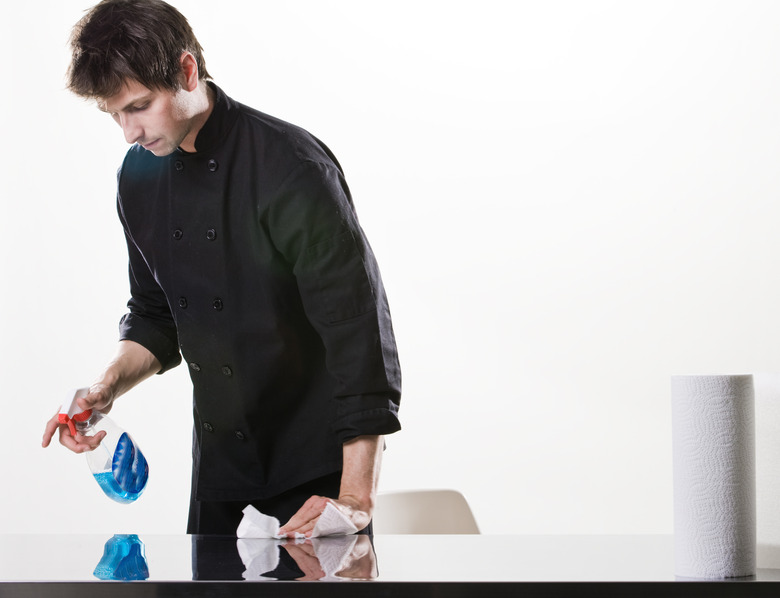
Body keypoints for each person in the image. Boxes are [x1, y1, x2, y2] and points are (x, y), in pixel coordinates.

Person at [41, 0, 401, 537]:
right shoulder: (137, 178)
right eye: (114, 114)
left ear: (187, 71)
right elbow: (155, 316)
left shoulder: (290, 167)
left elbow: (357, 332)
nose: (128, 133)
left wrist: (354, 500)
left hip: (316, 479)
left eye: (139, 106)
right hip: (218, 478)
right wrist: (106, 386)